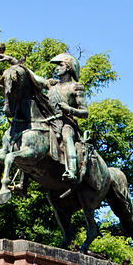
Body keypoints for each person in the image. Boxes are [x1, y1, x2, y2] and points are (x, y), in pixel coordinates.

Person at [43, 53, 89, 185]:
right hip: (51, 122)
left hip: (67, 122)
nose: (57, 68)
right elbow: (34, 78)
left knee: (67, 136)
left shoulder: (76, 87)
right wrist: (15, 63)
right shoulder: (52, 85)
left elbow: (85, 113)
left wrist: (69, 109)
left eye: (61, 65)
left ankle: (71, 170)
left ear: (68, 68)